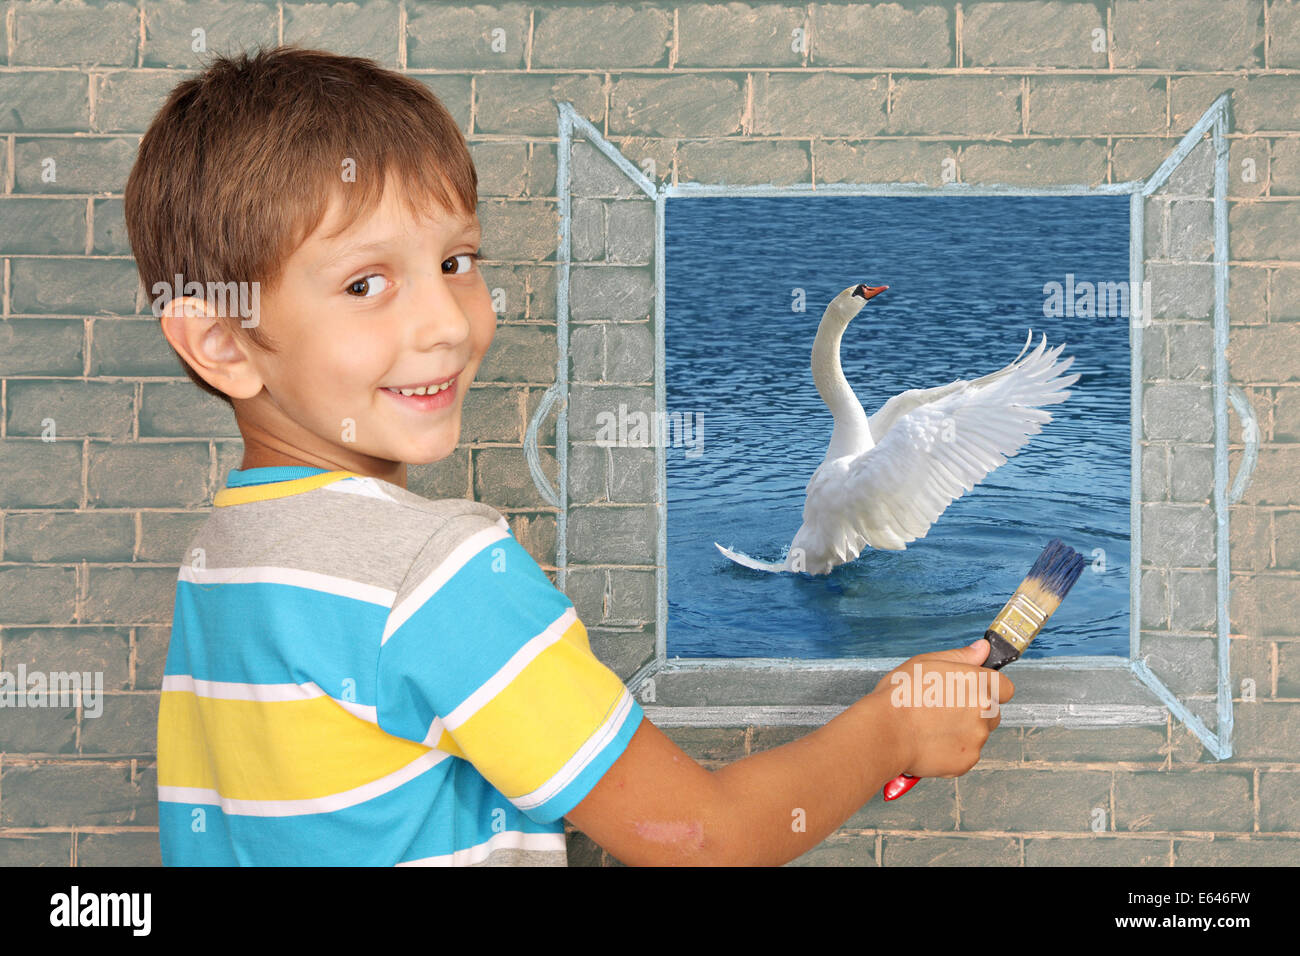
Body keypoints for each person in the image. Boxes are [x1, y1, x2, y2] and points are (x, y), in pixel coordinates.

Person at [129, 44, 1011, 866]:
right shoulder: (436, 572)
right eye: (366, 284)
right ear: (223, 343)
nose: (446, 321)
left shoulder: (226, 559)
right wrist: (891, 732)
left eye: (456, 260)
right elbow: (699, 838)